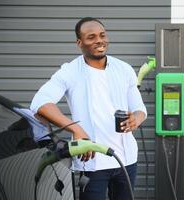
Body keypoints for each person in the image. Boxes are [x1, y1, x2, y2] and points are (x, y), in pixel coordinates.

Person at [30, 17, 147, 200]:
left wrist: (136, 119)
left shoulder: (123, 69)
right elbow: (40, 103)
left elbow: (139, 109)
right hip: (92, 163)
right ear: (80, 42)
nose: (99, 40)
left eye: (102, 35)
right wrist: (76, 129)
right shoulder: (70, 71)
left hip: (126, 160)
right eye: (91, 37)